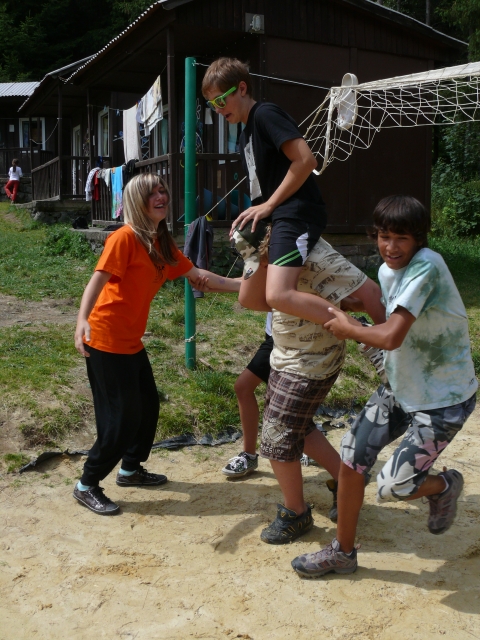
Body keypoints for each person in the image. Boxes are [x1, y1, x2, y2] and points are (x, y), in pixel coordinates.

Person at [291, 195, 478, 577]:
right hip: (401, 386)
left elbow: (391, 336)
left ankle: (443, 486)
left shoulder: (427, 267)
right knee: (350, 460)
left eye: (401, 238)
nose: (391, 247)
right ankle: (342, 553)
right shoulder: (389, 271)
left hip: (442, 398)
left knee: (393, 486)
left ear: (419, 239)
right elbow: (396, 320)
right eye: (384, 236)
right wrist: (356, 312)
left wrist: (351, 328)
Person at [73, 173, 240, 516]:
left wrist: (245, 284)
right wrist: (81, 320)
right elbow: (97, 280)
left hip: (131, 341)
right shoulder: (124, 238)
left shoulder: (161, 243)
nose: (161, 196)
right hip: (104, 338)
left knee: (148, 407)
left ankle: (130, 469)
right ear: (138, 201)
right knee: (122, 417)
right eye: (152, 193)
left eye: (163, 190)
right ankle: (86, 484)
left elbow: (199, 278)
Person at [201, 57, 385, 328]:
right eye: (211, 104)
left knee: (278, 295)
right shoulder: (244, 137)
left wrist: (269, 206)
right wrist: (251, 218)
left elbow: (306, 161)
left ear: (241, 88)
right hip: (276, 221)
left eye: (220, 100)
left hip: (295, 213)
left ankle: (364, 333)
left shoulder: (265, 114)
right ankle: (340, 307)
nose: (217, 109)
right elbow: (262, 189)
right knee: (251, 298)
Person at [230, 219, 382, 544]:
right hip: (285, 355)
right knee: (298, 428)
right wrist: (255, 258)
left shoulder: (314, 251)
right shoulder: (272, 253)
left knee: (277, 437)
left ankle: (296, 513)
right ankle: (346, 482)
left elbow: (370, 293)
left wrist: (382, 342)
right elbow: (253, 300)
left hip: (312, 361)